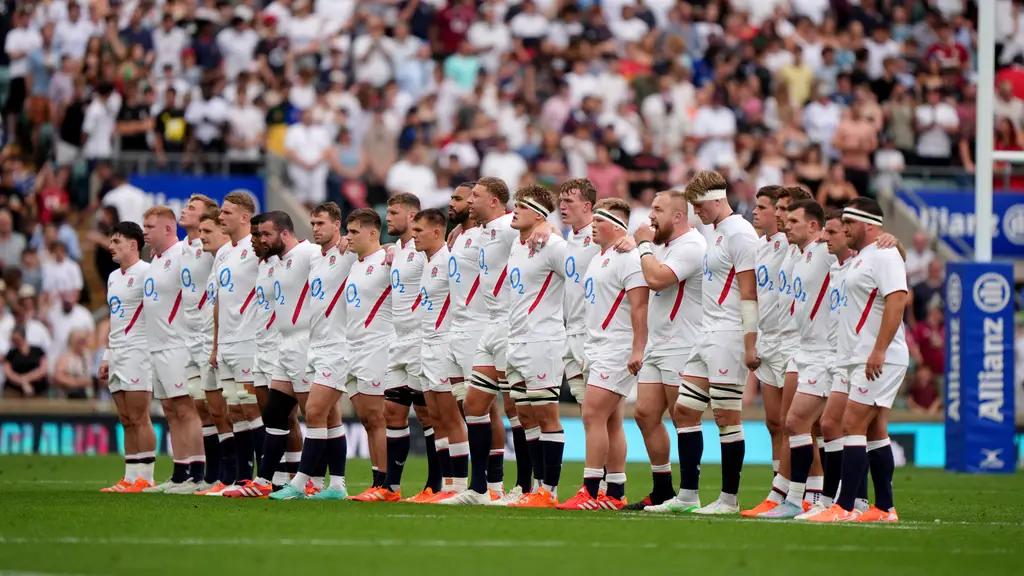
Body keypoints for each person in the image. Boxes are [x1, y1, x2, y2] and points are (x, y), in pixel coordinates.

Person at [807, 198, 909, 523]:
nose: (845, 228)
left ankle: (846, 506)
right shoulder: (862, 257)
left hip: (877, 356)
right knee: (875, 430)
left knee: (851, 423)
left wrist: (878, 350)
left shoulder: (884, 254)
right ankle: (885, 508)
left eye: (849, 223)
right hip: (858, 356)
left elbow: (897, 301)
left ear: (868, 224)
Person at [605, 188, 705, 513]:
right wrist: (635, 244)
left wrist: (643, 245)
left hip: (682, 343)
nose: (650, 215)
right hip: (658, 342)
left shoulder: (692, 245)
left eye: (658, 209)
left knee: (682, 416)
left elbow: (657, 279)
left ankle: (689, 494)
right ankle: (662, 489)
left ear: (678, 215)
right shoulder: (663, 245)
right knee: (645, 414)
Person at [676, 170, 760, 515]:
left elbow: (749, 291)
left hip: (728, 334)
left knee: (726, 415)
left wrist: (750, 341)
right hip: (705, 332)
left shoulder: (740, 234)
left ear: (716, 200)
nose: (696, 213)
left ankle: (729, 499)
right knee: (684, 410)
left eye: (699, 206)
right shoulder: (716, 233)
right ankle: (687, 495)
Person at [557, 198, 648, 511]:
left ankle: (591, 491)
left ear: (618, 225)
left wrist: (637, 348)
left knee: (592, 414)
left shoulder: (629, 257)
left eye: (599, 221)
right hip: (596, 346)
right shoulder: (600, 256)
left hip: (617, 348)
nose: (593, 226)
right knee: (611, 420)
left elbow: (640, 306)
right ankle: (615, 492)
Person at [441, 177, 526, 506]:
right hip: (489, 325)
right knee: (474, 406)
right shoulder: (478, 232)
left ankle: (523, 486)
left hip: (509, 324)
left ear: (493, 201)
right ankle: (479, 488)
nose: (469, 201)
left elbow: (539, 230)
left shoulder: (507, 226)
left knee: (516, 408)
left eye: (475, 196)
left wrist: (546, 228)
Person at [270, 201, 357, 500]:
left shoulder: (348, 253)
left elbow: (378, 250)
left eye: (321, 223)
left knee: (316, 411)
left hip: (338, 346)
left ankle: (300, 482)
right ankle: (336, 485)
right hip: (315, 345)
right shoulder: (316, 258)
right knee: (328, 416)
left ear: (337, 224)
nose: (316, 229)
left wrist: (389, 250)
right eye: (313, 224)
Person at [232, 211, 318, 499]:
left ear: (284, 233)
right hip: (278, 344)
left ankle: (313, 481)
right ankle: (269, 479)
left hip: (302, 344)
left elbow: (340, 259)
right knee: (274, 413)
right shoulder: (272, 263)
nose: (258, 240)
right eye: (257, 235)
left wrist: (386, 249)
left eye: (264, 234)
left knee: (313, 415)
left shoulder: (308, 253)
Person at [758, 199, 834, 518]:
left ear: (813, 225)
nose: (785, 225)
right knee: (791, 422)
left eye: (792, 221)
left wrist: (890, 240)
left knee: (813, 424)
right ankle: (799, 495)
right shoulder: (798, 254)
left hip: (823, 350)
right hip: (800, 346)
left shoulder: (825, 250)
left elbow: (864, 248)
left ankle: (811, 496)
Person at [353, 193, 430, 502]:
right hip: (398, 341)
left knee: (428, 415)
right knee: (393, 412)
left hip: (421, 339)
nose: (388, 217)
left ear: (411, 217)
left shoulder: (425, 251)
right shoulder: (397, 249)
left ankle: (436, 485)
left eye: (394, 212)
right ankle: (390, 488)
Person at [499, 185, 570, 508]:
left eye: (522, 206)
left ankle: (550, 490)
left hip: (543, 340)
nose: (514, 210)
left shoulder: (553, 245)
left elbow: (578, 276)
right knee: (525, 415)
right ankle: (537, 487)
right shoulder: (517, 243)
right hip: (516, 339)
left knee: (546, 414)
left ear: (539, 215)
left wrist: (553, 229)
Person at [139, 206, 206, 494]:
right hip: (157, 345)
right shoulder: (154, 259)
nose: (144, 232)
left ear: (168, 229)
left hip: (178, 344)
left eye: (150, 227)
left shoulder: (182, 254)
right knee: (170, 410)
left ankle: (198, 473)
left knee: (186, 409)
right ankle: (180, 473)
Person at [204, 192, 263, 496]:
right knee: (235, 412)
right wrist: (216, 345)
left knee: (252, 409)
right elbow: (218, 301)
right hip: (226, 342)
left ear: (244, 217)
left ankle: (266, 478)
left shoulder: (258, 247)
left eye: (227, 213)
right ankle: (241, 479)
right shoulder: (224, 253)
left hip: (249, 340)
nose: (221, 217)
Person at [98, 221, 156, 493]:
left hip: (138, 350)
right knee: (125, 418)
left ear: (133, 245)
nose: (111, 246)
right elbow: (115, 318)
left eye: (116, 241)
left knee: (140, 416)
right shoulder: (113, 277)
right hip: (118, 351)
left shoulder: (147, 272)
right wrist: (107, 355)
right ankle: (130, 476)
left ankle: (146, 477)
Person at [407, 207, 458, 503]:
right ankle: (442, 486)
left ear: (437, 232)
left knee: (450, 417)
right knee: (435, 417)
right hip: (426, 344)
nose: (413, 235)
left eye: (419, 230)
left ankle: (456, 485)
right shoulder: (427, 262)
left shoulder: (450, 260)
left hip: (443, 345)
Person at [341, 209, 392, 497]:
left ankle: (384, 483)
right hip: (352, 347)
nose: (348, 237)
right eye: (347, 231)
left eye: (354, 232)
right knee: (366, 418)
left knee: (376, 417)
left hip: (377, 346)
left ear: (373, 233)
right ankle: (377, 481)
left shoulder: (386, 260)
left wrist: (394, 249)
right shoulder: (354, 263)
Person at [558, 179, 600, 408]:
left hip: (594, 335)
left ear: (587, 206)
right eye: (561, 201)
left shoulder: (600, 235)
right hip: (572, 333)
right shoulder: (570, 236)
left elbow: (624, 239)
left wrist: (629, 240)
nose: (562, 206)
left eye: (569, 201)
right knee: (588, 412)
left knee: (602, 415)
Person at [3, 327, 48, 398]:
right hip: (15, 389)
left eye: (17, 339)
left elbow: (43, 369)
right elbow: (8, 372)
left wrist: (25, 379)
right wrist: (23, 382)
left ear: (23, 337)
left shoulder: (38, 351)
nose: (15, 342)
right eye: (13, 340)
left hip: (38, 388)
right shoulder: (11, 353)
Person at [53, 329, 92, 399]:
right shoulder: (65, 357)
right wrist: (77, 382)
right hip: (68, 396)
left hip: (87, 396)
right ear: (72, 341)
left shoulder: (88, 355)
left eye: (84, 340)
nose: (82, 343)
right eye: (79, 341)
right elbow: (58, 377)